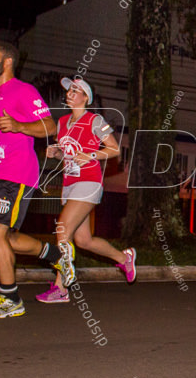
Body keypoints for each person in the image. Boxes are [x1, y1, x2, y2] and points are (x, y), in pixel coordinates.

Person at [0, 41, 59, 319]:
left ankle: (11, 298)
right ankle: (54, 255)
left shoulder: (23, 90)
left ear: (7, 62)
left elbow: (50, 126)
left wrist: (19, 125)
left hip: (17, 172)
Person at [35, 77, 136, 303]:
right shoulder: (61, 123)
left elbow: (113, 149)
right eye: (69, 90)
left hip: (89, 182)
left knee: (63, 228)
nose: (70, 93)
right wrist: (57, 154)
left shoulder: (94, 120)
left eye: (75, 90)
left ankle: (60, 287)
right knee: (83, 241)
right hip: (69, 184)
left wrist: (90, 155)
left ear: (85, 98)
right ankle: (124, 258)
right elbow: (68, 155)